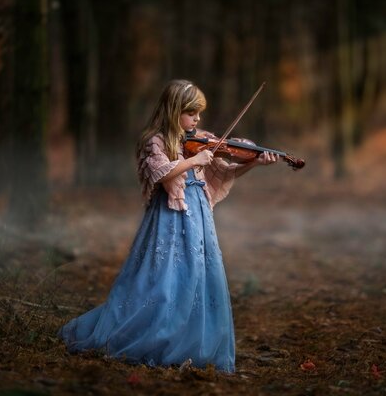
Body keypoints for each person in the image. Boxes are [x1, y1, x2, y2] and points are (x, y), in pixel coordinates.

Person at [57, 79, 278, 373]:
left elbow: (224, 169)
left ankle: (193, 342)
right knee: (164, 278)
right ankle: (154, 336)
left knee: (199, 272)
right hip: (168, 218)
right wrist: (195, 159)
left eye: (199, 114)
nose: (198, 120)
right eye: (192, 113)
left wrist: (253, 162)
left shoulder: (200, 138)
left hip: (197, 213)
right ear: (174, 111)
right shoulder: (156, 141)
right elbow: (162, 172)